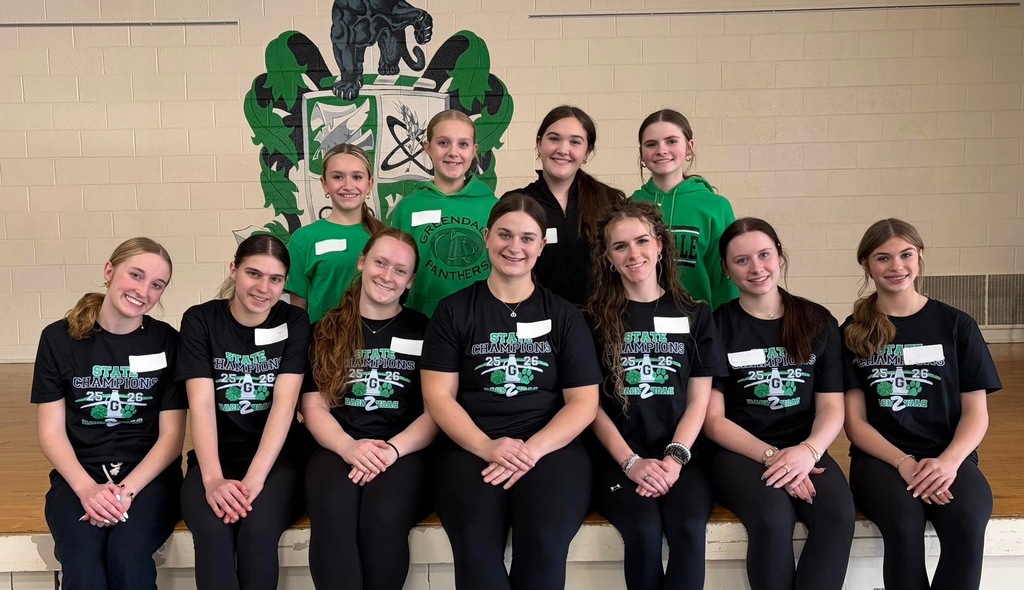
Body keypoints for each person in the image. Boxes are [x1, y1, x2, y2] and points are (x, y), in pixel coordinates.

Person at [421, 193, 601, 590]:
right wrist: (487, 447)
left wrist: (530, 450)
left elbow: (584, 402)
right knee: (476, 552)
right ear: (486, 237)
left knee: (543, 545)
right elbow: (438, 396)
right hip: (471, 449)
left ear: (541, 245)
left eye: (526, 238)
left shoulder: (564, 315)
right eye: (504, 234)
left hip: (551, 450)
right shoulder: (453, 311)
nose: (514, 247)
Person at [842, 218, 1001, 590]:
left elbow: (977, 413)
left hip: (949, 456)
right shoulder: (852, 330)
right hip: (881, 460)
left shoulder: (957, 325)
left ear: (920, 257)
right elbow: (854, 422)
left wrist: (947, 462)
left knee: (967, 523)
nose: (896, 267)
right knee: (903, 524)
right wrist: (904, 463)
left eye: (905, 255)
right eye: (883, 258)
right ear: (865, 264)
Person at [703, 217, 855, 590]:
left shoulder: (817, 320)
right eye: (741, 261)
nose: (756, 268)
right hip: (739, 451)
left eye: (764, 255)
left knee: (836, 515)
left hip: (805, 447)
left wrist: (806, 452)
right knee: (772, 518)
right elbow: (713, 420)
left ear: (780, 256)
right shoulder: (716, 325)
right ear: (725, 269)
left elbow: (833, 408)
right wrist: (774, 458)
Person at [583, 200, 726, 590]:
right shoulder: (591, 319)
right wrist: (630, 463)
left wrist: (675, 458)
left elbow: (700, 400)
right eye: (620, 246)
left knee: (688, 529)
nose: (634, 254)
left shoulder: (695, 314)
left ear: (660, 245)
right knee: (643, 531)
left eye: (642, 241)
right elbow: (588, 405)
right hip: (617, 459)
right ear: (608, 257)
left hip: (683, 459)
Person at [32, 237, 185, 590]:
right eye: (136, 275)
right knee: (83, 562)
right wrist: (87, 489)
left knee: (127, 557)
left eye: (157, 285)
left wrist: (125, 491)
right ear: (109, 271)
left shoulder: (167, 342)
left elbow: (171, 438)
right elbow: (51, 433)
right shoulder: (58, 339)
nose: (143, 290)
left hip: (147, 480)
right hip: (79, 477)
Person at [301, 228, 436, 590]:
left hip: (404, 449)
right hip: (337, 446)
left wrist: (392, 451)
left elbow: (435, 412)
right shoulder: (324, 329)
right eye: (380, 262)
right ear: (362, 262)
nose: (387, 276)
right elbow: (313, 406)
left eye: (399, 270)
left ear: (410, 282)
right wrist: (349, 447)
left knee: (383, 515)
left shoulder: (425, 331)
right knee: (333, 511)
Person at [178, 234, 310, 590]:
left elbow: (285, 406)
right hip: (215, 458)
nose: (263, 287)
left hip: (276, 460)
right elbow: (201, 404)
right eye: (254, 273)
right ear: (234, 270)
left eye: (275, 279)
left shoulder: (294, 322)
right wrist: (213, 480)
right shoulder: (200, 320)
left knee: (257, 529)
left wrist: (254, 481)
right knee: (212, 530)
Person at [512, 104, 626, 306]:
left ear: (587, 151)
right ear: (539, 144)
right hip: (537, 320)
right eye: (554, 139)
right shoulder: (518, 203)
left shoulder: (610, 201)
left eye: (575, 142)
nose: (563, 149)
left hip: (601, 321)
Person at [390, 109, 497, 316]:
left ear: (474, 150)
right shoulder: (408, 208)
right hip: (423, 320)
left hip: (481, 319)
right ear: (428, 148)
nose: (453, 153)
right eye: (443, 143)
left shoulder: (494, 207)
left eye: (463, 144)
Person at [632, 109, 737, 309]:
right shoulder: (631, 205)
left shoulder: (716, 207)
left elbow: (724, 275)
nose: (661, 150)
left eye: (671, 141)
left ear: (689, 148)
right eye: (651, 144)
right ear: (642, 153)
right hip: (643, 324)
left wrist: (726, 324)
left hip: (700, 323)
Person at [286, 143, 386, 323]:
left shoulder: (385, 238)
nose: (348, 185)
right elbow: (297, 310)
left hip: (375, 344)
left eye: (357, 177)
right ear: (324, 184)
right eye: (338, 177)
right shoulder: (303, 239)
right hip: (324, 343)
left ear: (369, 184)